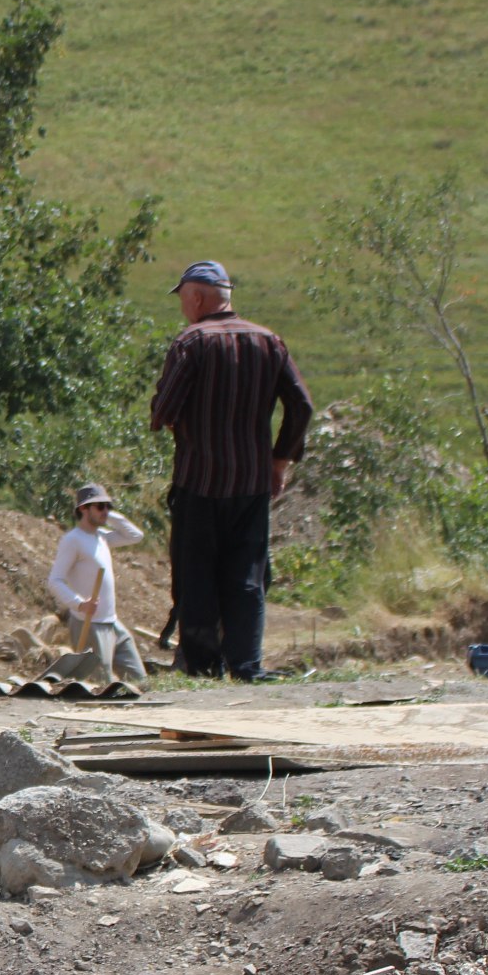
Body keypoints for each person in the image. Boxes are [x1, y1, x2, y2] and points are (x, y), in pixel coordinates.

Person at [148, 261, 313, 681]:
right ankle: (246, 664)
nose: (184, 309)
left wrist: (176, 422)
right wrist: (279, 460)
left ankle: (203, 666)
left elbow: (163, 410)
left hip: (198, 481)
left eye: (184, 299)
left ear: (198, 298)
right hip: (252, 482)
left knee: (197, 572)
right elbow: (302, 406)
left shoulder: (191, 342)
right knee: (247, 575)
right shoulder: (268, 341)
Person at [45, 482, 148, 685]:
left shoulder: (102, 538)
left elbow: (136, 536)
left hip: (112, 622)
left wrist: (107, 515)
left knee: (140, 682)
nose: (105, 510)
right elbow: (54, 580)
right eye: (99, 506)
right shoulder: (73, 540)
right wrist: (80, 604)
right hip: (88, 624)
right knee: (100, 687)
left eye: (108, 506)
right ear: (83, 509)